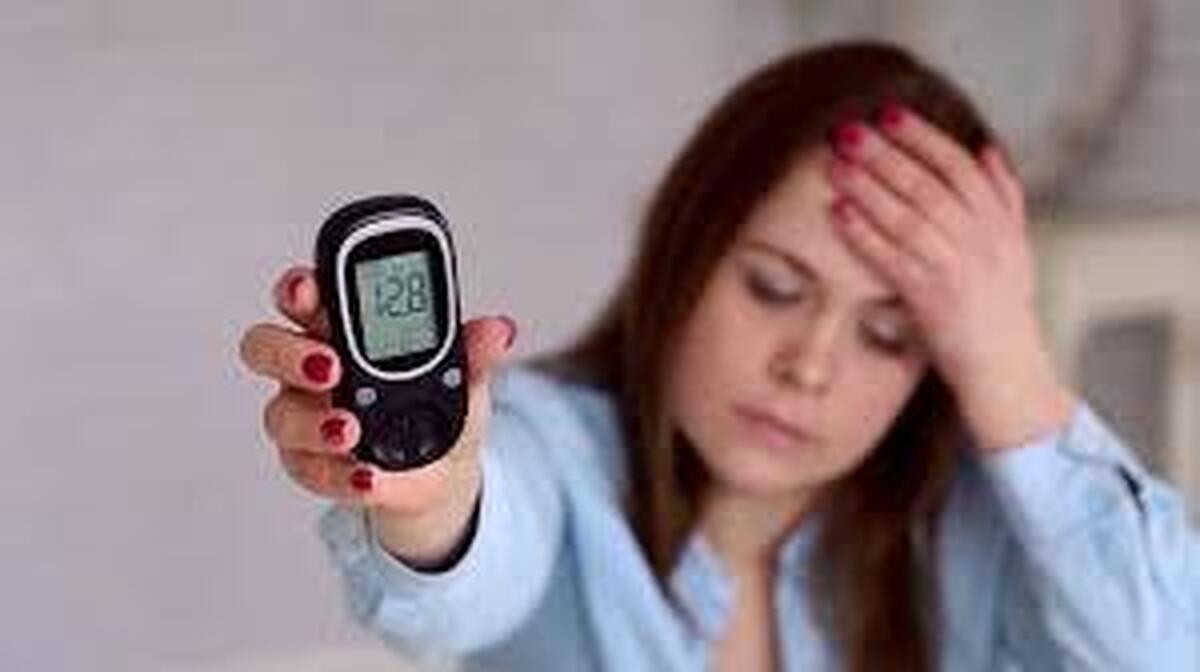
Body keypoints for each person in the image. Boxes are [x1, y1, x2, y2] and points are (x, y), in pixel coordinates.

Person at [238, 42, 1199, 670]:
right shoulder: (556, 454)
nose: (809, 366)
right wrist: (430, 497)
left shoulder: (980, 541)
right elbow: (463, 577)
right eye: (775, 287)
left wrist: (1013, 372)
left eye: (888, 334)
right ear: (686, 246)